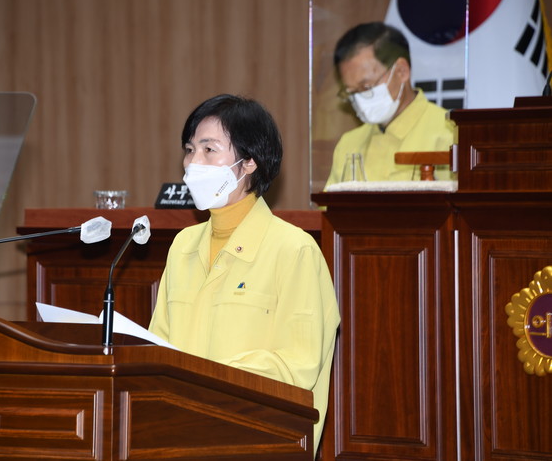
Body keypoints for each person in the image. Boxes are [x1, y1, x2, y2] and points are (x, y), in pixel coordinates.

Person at [148, 94, 340, 455]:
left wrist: (208, 383)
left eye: (209, 150)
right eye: (190, 150)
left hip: (255, 438)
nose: (193, 163)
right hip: (180, 435)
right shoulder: (183, 245)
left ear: (249, 162)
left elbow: (297, 366)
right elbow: (160, 348)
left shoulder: (294, 250)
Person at [324, 22, 455, 188]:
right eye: (352, 92)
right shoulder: (349, 144)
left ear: (401, 71)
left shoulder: (450, 134)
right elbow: (330, 204)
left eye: (366, 87)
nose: (360, 99)